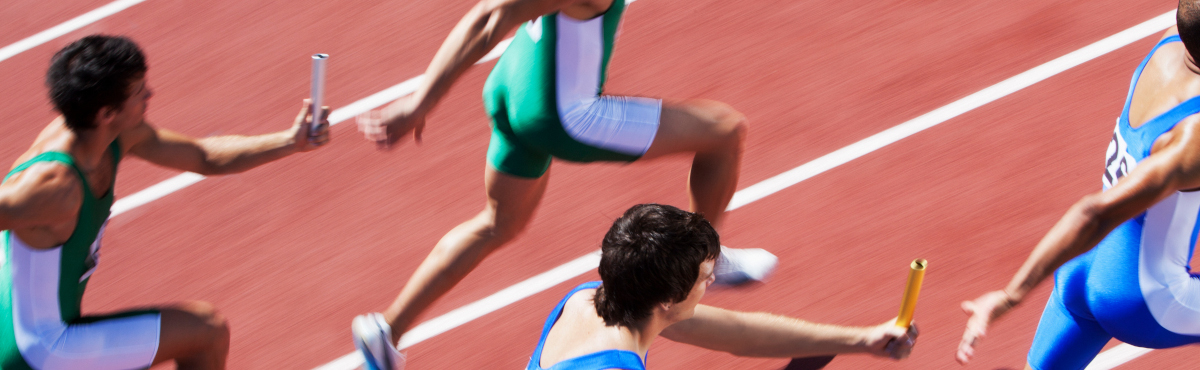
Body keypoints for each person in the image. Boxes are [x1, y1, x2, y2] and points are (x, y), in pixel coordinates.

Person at [352, 0, 778, 367]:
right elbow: (490, 16)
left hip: (515, 85)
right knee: (725, 132)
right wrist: (419, 101)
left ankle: (386, 330)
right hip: (565, 116)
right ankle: (702, 258)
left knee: (498, 223)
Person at [0, 35, 329, 370]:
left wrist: (289, 142)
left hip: (51, 332)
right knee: (206, 332)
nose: (150, 94)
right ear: (106, 113)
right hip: (41, 348)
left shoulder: (115, 135)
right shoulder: (55, 187)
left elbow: (204, 156)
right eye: (139, 90)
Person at [957, 3, 1200, 369]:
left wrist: (1013, 293)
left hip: (1082, 270)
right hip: (1148, 297)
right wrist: (1010, 296)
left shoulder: (1167, 46)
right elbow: (1092, 213)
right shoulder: (1193, 137)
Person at [527, 204, 917, 370]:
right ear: (667, 298)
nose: (713, 282)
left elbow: (741, 332)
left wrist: (862, 340)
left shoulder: (589, 300)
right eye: (704, 277)